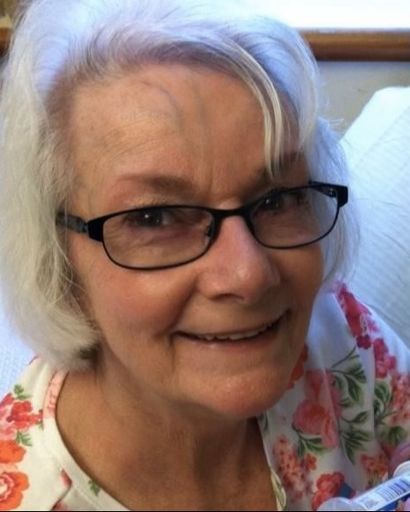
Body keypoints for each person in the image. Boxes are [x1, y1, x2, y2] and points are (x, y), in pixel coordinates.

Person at [0, 1, 409, 510]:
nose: (248, 274)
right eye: (155, 218)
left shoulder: (339, 335)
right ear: (58, 262)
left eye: (278, 200)